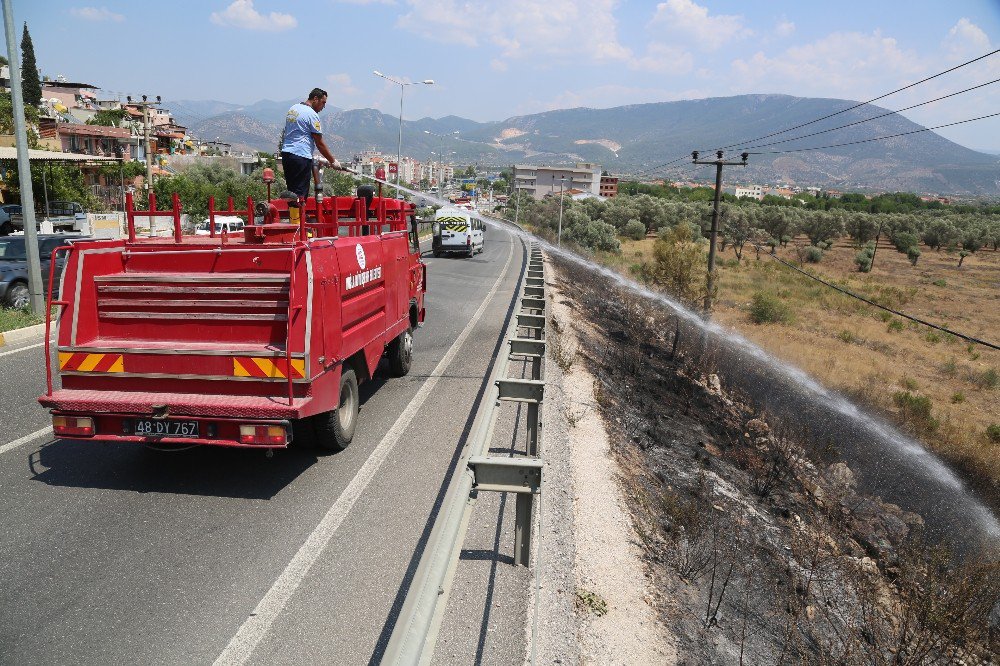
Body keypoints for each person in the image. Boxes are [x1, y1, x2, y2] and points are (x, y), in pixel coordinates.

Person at [280, 88, 342, 198]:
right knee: (300, 194)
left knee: (292, 193)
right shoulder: (312, 115)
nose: (323, 107)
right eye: (323, 102)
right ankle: (299, 215)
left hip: (286, 155)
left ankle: (294, 215)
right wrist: (333, 161)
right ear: (315, 99)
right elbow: (319, 143)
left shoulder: (293, 109)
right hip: (301, 157)